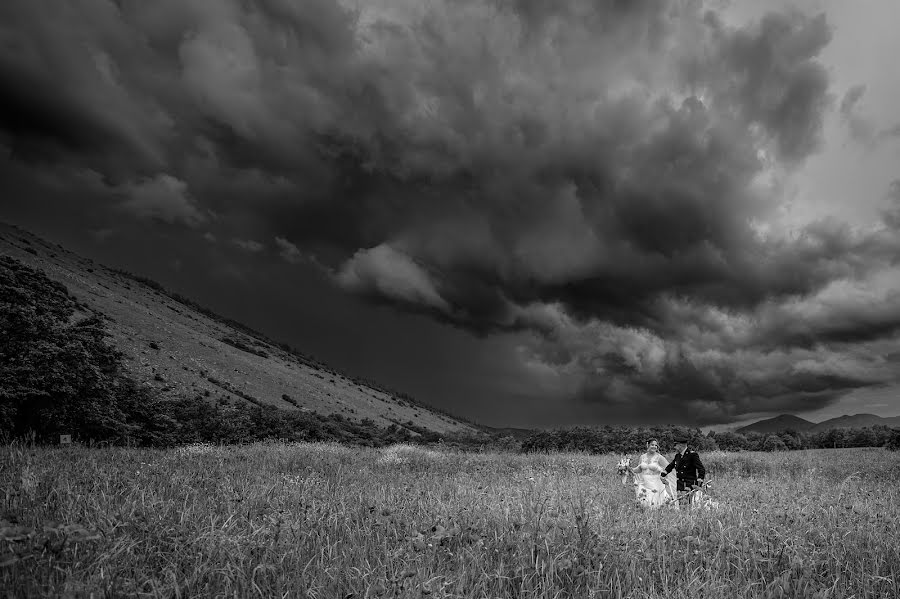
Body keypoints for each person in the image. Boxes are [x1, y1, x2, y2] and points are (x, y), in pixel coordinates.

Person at [630, 439, 677, 508]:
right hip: (644, 483)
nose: (654, 447)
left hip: (655, 484)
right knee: (643, 503)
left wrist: (664, 476)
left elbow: (668, 468)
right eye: (652, 445)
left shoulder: (659, 457)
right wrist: (629, 469)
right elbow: (639, 469)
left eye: (656, 445)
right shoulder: (642, 457)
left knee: (655, 504)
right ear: (648, 445)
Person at [662, 436, 706, 506]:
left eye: (675, 445)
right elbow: (671, 466)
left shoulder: (692, 455)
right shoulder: (678, 456)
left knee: (689, 506)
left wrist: (699, 484)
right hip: (680, 485)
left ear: (681, 445)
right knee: (681, 505)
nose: (674, 447)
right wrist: (663, 474)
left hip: (689, 485)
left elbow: (701, 469)